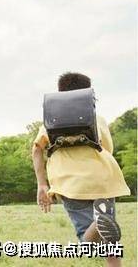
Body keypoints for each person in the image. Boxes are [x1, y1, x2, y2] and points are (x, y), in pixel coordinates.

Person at [32, 72, 130, 267]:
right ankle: (103, 221)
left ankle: (99, 223)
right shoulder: (97, 119)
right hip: (103, 181)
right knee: (110, 240)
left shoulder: (50, 122)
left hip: (70, 185)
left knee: (88, 243)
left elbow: (37, 149)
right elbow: (107, 149)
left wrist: (42, 184)